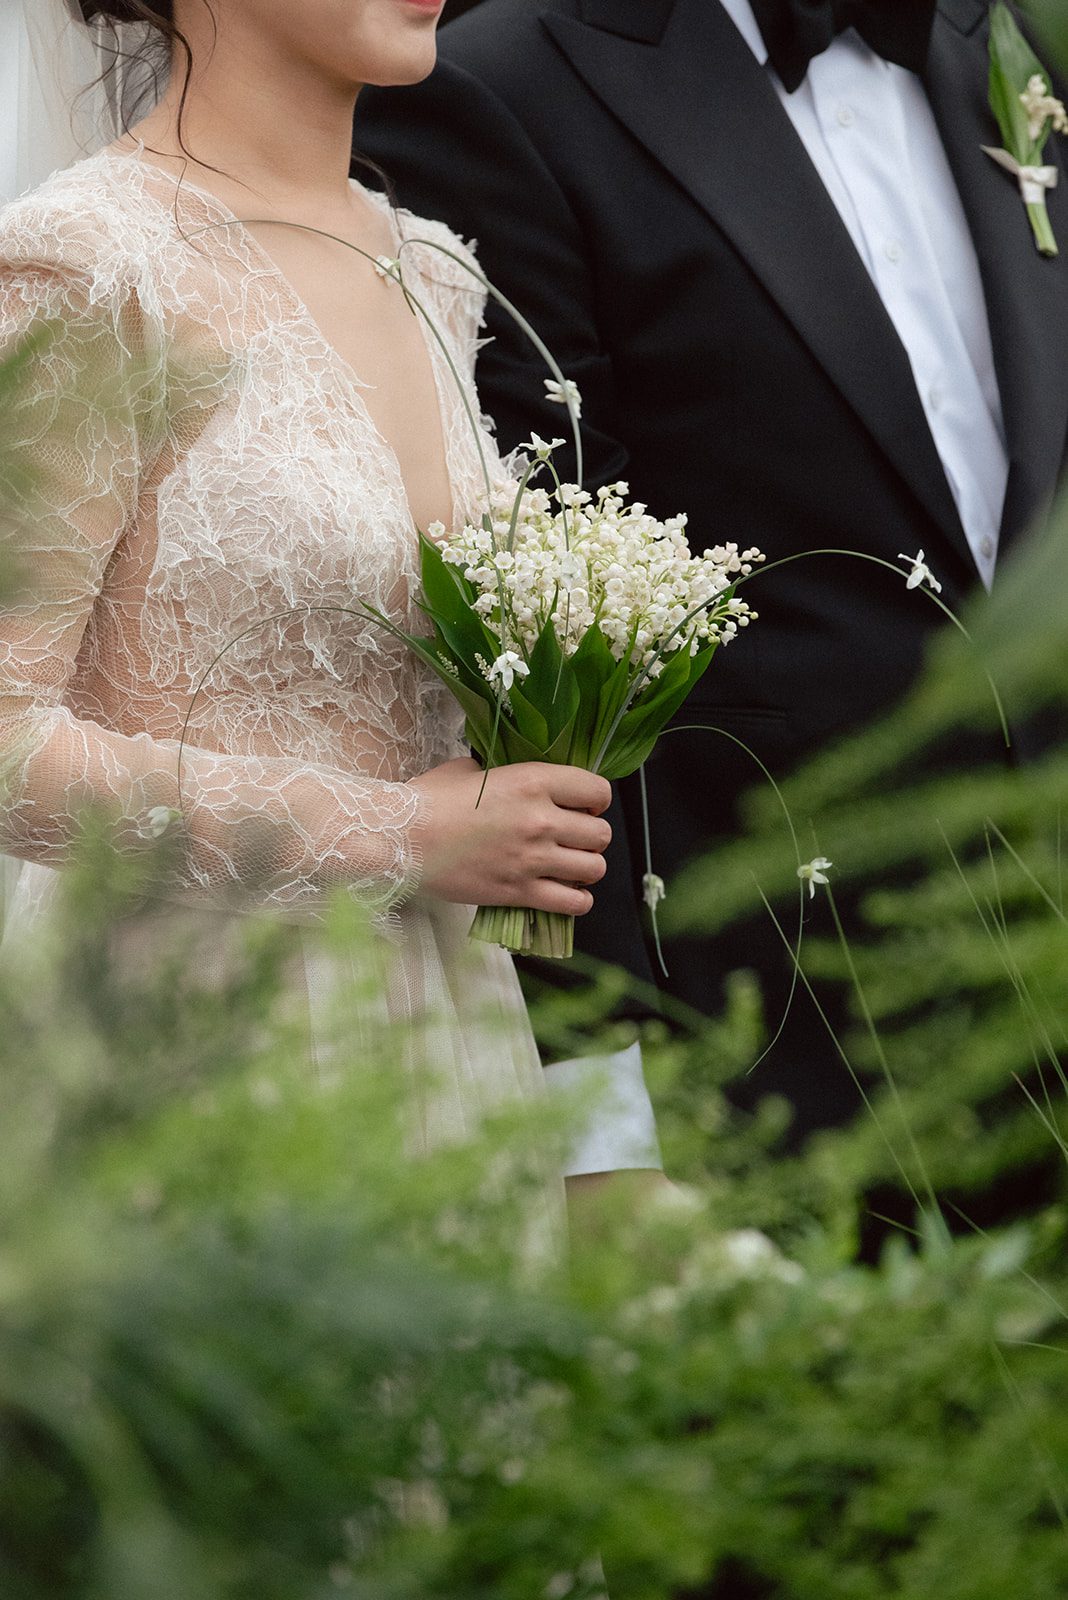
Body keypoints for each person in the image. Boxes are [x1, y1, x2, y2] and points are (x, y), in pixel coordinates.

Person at [356, 0, 1068, 1141]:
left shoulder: (999, 39)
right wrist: (602, 1115)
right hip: (777, 1021)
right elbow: (529, 668)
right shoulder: (497, 86)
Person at [0, 0, 630, 1202]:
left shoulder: (433, 268)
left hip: (447, 1037)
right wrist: (401, 837)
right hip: (182, 1044)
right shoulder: (86, 265)